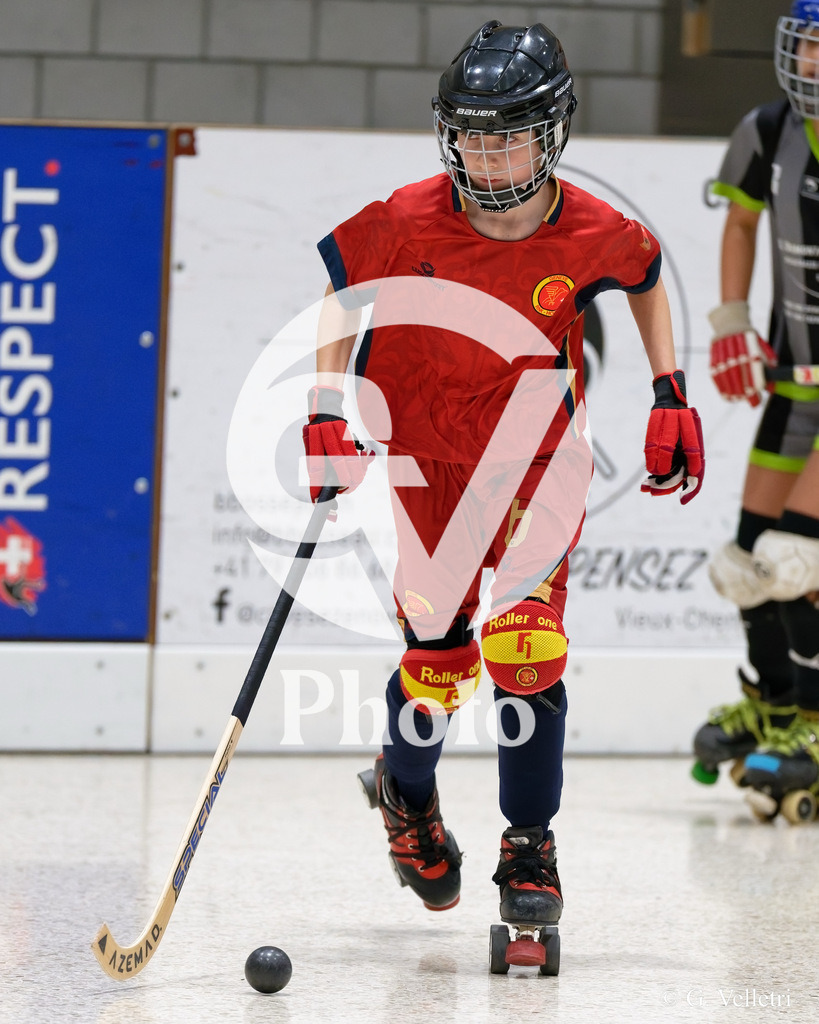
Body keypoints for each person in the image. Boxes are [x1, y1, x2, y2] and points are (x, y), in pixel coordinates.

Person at [302, 20, 704, 964]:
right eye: (470, 134)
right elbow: (340, 294)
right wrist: (324, 409)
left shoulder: (594, 229)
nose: (485, 154)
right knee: (436, 666)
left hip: (537, 462)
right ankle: (406, 793)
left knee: (527, 652)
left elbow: (643, 277)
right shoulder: (405, 217)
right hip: (428, 465)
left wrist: (667, 389)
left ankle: (530, 849)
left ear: (552, 133)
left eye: (507, 133)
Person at [692, 0, 819, 823]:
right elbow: (741, 222)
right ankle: (775, 707)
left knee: (796, 562)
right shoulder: (766, 131)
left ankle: (810, 724)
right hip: (794, 383)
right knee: (745, 564)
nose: (811, 64)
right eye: (806, 48)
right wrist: (732, 320)